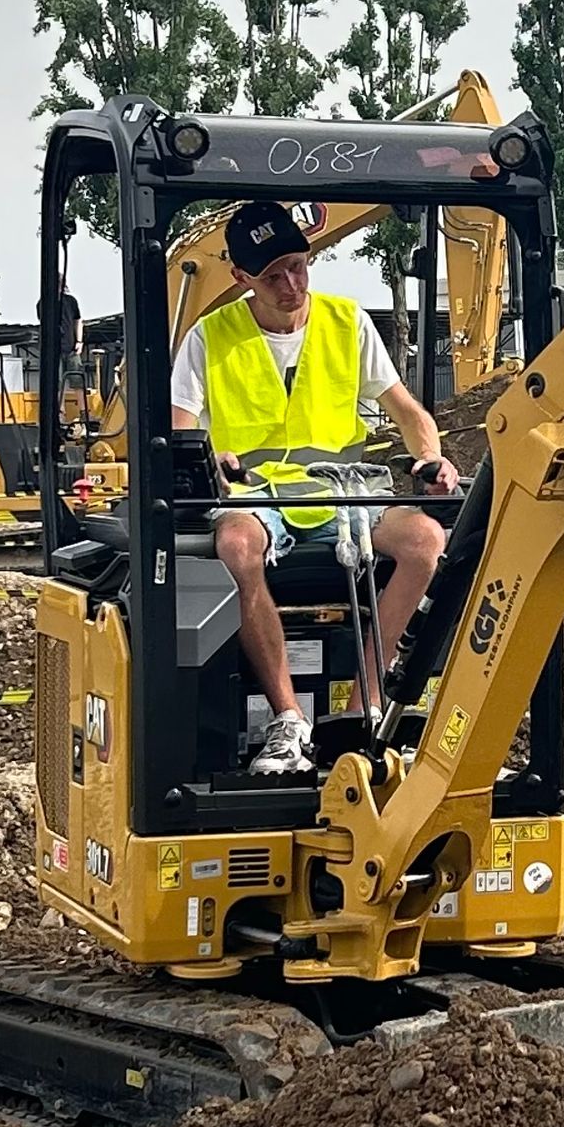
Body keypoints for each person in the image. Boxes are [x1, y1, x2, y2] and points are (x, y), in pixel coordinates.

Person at [171, 200, 460, 775]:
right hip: (256, 498)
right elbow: (181, 429)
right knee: (235, 546)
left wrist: (430, 455)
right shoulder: (209, 337)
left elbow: (407, 410)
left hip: (344, 492)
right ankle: (289, 721)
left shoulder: (346, 322)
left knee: (426, 541)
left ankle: (366, 709)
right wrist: (211, 455)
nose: (290, 284)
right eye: (272, 275)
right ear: (241, 279)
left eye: (298, 267)